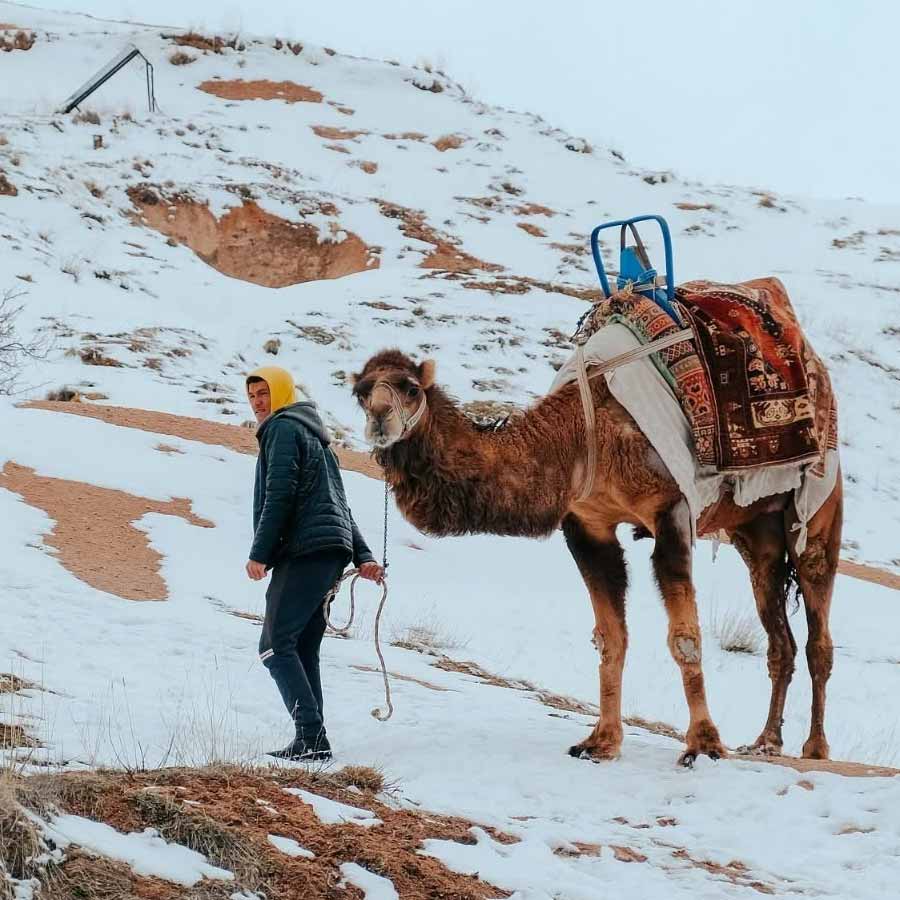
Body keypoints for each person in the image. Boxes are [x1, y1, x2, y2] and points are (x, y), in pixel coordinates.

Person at [245, 366, 384, 761]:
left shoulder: (283, 429)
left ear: (283, 393)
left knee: (274, 645)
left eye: (264, 393)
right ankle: (313, 740)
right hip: (327, 551)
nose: (258, 402)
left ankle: (311, 737)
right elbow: (339, 508)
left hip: (305, 551)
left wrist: (260, 552)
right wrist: (364, 556)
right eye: (253, 395)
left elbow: (279, 495)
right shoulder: (317, 437)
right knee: (302, 646)